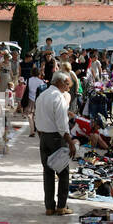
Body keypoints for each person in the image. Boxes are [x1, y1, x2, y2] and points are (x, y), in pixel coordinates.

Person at [34, 72, 76, 215]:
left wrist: (41, 135)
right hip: (57, 138)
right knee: (63, 172)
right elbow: (62, 123)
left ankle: (49, 207)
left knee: (48, 172)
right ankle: (61, 206)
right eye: (67, 84)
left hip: (44, 136)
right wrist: (69, 141)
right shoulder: (58, 97)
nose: (68, 88)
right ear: (60, 82)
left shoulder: (42, 96)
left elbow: (36, 117)